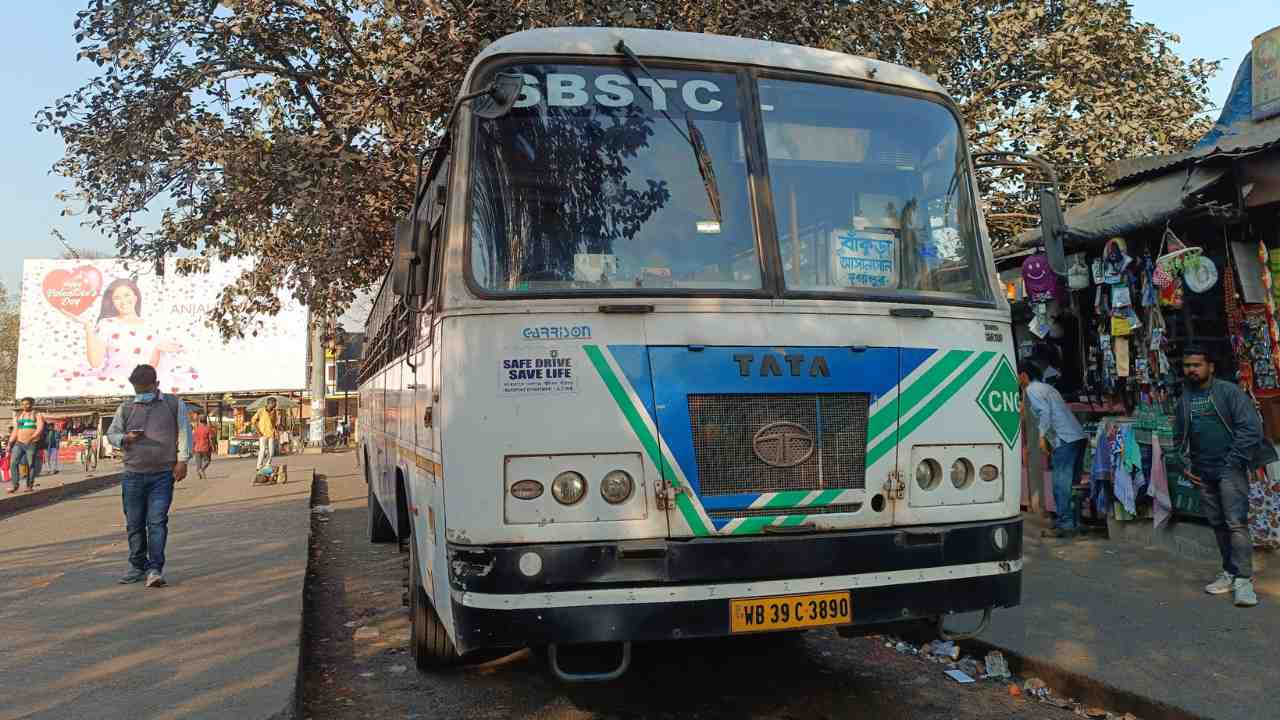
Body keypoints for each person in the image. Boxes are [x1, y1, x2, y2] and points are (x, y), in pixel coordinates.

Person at [1174, 346, 1276, 608]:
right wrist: (1185, 464)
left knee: (1235, 524)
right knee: (1218, 523)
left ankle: (1243, 580)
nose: (1191, 370)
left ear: (1211, 366)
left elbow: (1250, 429)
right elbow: (1178, 436)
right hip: (1202, 471)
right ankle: (1229, 572)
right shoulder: (1185, 398)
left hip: (1229, 469)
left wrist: (1232, 463)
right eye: (1187, 366)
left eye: (1197, 365)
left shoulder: (1228, 392)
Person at [106, 364, 192, 588]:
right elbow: (112, 434)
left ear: (156, 385)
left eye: (145, 389)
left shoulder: (173, 404)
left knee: (156, 521)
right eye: (137, 389)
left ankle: (155, 569)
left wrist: (182, 460)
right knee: (134, 523)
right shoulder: (125, 408)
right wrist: (125, 438)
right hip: (133, 474)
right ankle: (137, 566)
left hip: (163, 474)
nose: (141, 394)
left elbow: (184, 432)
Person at [1020, 360, 1087, 538]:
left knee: (1061, 484)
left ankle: (1065, 524)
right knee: (1072, 483)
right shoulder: (1047, 388)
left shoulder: (1032, 390)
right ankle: (1074, 521)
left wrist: (1041, 437)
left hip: (1065, 439)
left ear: (1023, 375)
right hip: (1076, 436)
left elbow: (1044, 412)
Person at [7, 398, 45, 494]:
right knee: (13, 462)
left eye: (27, 404)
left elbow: (40, 428)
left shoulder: (37, 415)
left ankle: (29, 485)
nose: (25, 406)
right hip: (19, 443)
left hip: (32, 443)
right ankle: (15, 485)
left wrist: (32, 437)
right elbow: (16, 430)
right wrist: (10, 443)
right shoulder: (19, 415)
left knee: (30, 464)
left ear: (32, 404)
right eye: (23, 404)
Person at [252, 398, 278, 471]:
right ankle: (259, 466)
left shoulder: (274, 412)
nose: (275, 405)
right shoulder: (261, 411)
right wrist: (258, 432)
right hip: (262, 434)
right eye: (274, 403)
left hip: (271, 434)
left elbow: (274, 423)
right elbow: (253, 421)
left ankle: (267, 465)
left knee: (272, 452)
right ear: (270, 403)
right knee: (262, 450)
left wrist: (276, 430)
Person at [192, 413, 215, 480]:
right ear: (206, 421)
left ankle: (199, 473)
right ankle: (202, 469)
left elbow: (194, 440)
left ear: (200, 421)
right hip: (205, 448)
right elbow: (210, 438)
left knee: (198, 463)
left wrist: (193, 448)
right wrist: (213, 446)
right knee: (207, 461)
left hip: (197, 448)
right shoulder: (207, 428)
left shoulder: (196, 429)